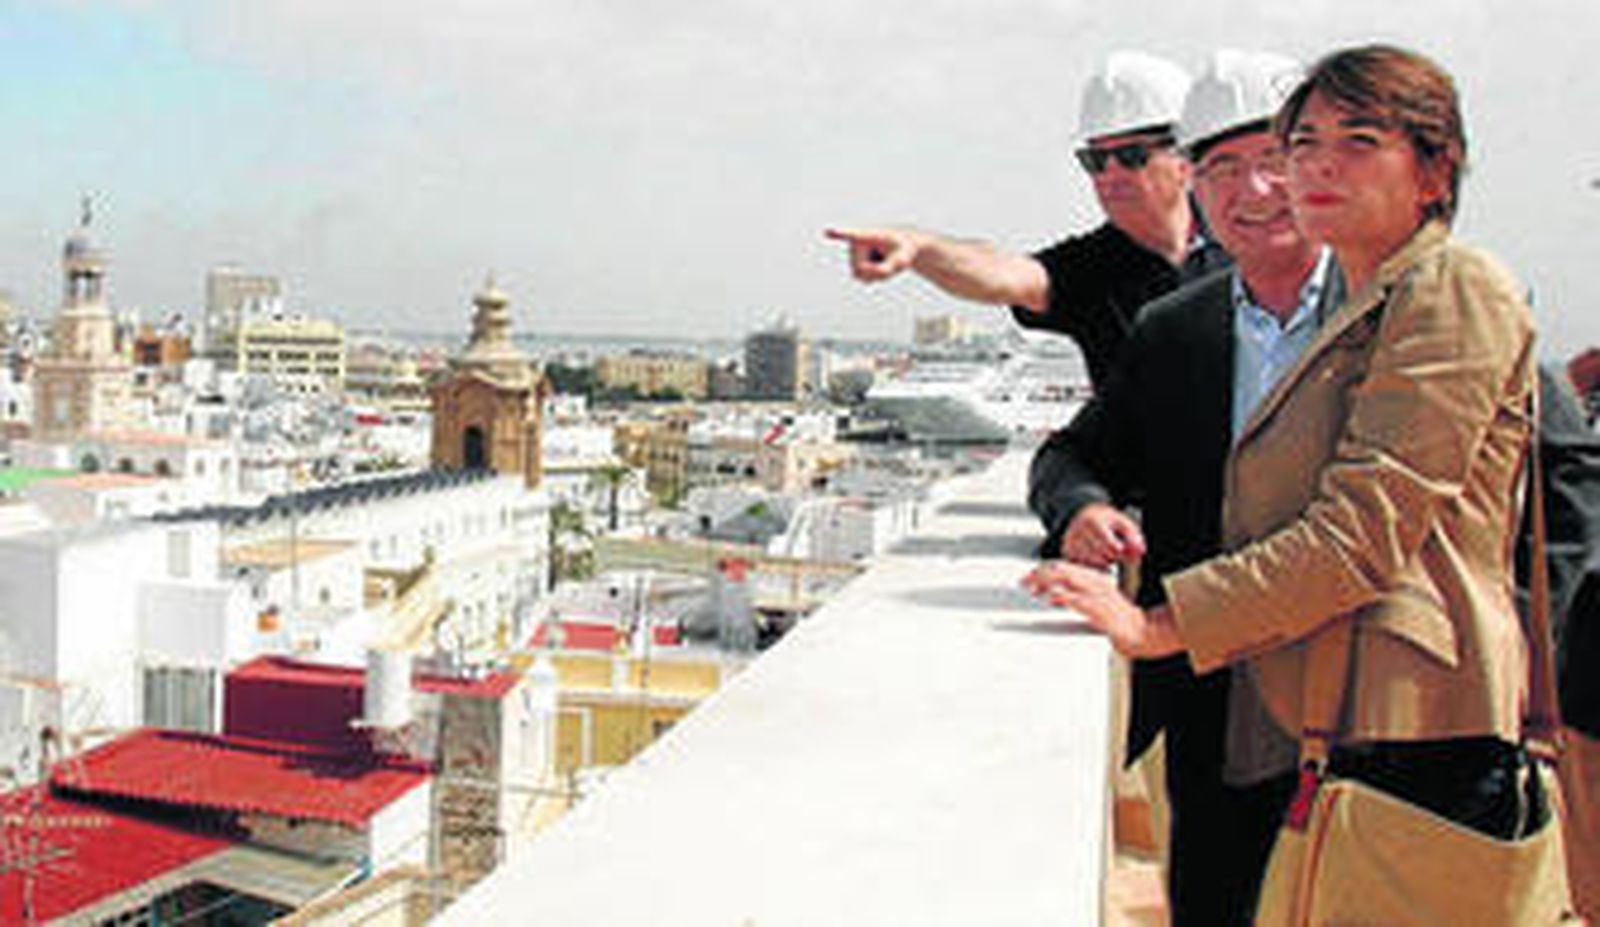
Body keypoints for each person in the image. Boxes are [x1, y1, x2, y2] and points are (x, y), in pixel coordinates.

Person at [1028, 40, 1547, 868]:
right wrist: (1085, 507)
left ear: (1434, 170)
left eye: (1357, 143)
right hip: (1273, 725)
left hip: (1402, 727)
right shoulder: (1222, 321)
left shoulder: (1449, 290)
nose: (1305, 173)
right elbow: (1081, 452)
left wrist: (1159, 623)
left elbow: (1361, 532)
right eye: (1305, 143)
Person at [1028, 50, 1330, 925]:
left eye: (1274, 160)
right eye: (1221, 167)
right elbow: (1070, 457)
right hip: (1215, 707)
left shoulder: (1395, 313)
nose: (1253, 190)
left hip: (1366, 707)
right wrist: (1082, 507)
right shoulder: (1176, 329)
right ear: (1194, 183)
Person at [828, 52, 1228, 390]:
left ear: (1185, 158)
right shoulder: (1093, 268)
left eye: (1130, 157)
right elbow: (1003, 274)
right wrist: (920, 248)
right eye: (1094, 160)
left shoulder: (1245, 235)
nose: (1109, 175)